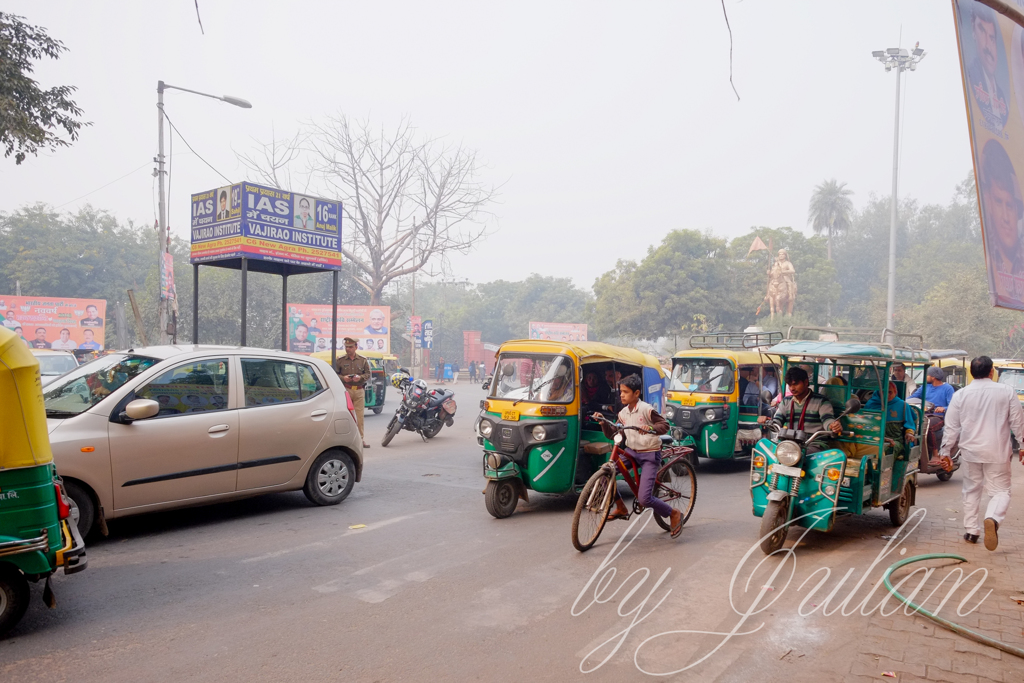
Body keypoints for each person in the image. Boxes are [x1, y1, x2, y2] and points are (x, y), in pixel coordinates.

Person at [940, 356, 1024, 550]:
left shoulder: (961, 395)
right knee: (1001, 491)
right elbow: (1017, 422)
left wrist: (945, 452)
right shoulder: (1006, 391)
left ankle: (971, 531)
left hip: (970, 451)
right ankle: (992, 518)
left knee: (971, 490)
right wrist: (1022, 445)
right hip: (997, 451)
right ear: (991, 371)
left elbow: (951, 426)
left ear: (971, 372)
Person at [596, 374, 683, 537]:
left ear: (636, 394)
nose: (621, 395)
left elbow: (664, 425)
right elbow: (613, 433)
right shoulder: (623, 413)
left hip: (649, 454)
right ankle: (621, 507)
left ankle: (673, 513)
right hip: (631, 452)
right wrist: (603, 423)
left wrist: (650, 428)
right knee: (604, 477)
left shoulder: (646, 409)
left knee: (644, 499)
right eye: (621, 391)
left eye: (625, 392)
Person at [980, 139, 1024, 298]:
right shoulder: (988, 257)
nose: (1006, 217)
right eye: (999, 202)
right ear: (989, 202)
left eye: (1010, 205)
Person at [759, 366, 841, 451]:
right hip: (789, 443)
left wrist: (833, 426)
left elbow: (827, 419)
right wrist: (767, 421)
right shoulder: (786, 401)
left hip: (813, 444)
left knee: (802, 456)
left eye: (795, 384)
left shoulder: (821, 401)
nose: (792, 388)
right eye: (790, 385)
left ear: (806, 382)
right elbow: (777, 422)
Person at [966, 3, 1009, 132]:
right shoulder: (971, 77)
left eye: (991, 38)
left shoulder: (1001, 98)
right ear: (973, 30)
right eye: (982, 31)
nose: (988, 47)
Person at [864, 381, 917, 459]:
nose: (887, 395)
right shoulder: (871, 405)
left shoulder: (903, 405)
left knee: (884, 450)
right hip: (874, 440)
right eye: (884, 392)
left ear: (895, 392)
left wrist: (909, 433)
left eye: (890, 392)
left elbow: (909, 425)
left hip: (895, 441)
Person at [336, 337, 371, 448]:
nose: (348, 349)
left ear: (356, 347)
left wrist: (359, 377)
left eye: (350, 347)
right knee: (345, 416)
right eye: (346, 347)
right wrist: (343, 378)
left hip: (359, 391)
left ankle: (360, 439)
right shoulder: (340, 360)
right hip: (346, 390)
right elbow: (335, 374)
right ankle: (344, 440)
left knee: (359, 417)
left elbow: (368, 374)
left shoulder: (363, 360)